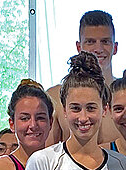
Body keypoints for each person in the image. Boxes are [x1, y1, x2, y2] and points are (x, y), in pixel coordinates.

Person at [46, 10, 121, 146]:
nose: (98, 48)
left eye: (105, 41)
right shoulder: (54, 97)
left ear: (115, 47)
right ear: (79, 46)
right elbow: (46, 157)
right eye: (90, 42)